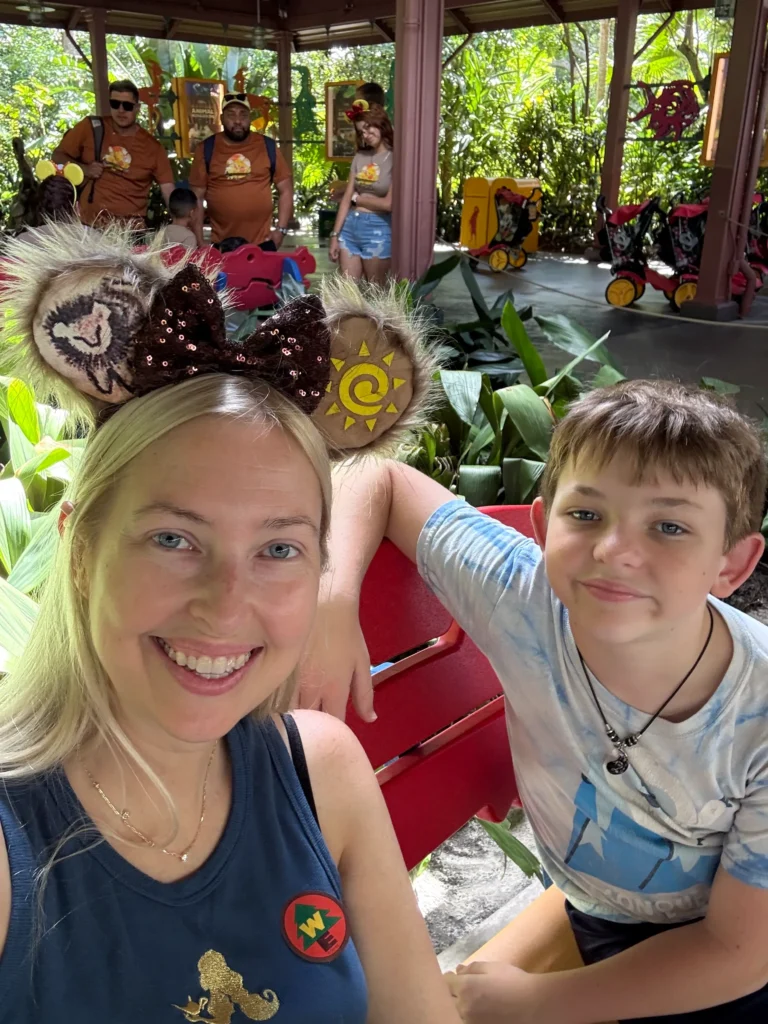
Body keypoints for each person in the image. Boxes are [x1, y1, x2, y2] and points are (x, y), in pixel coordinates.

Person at [0, 224, 461, 1024]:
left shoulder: (324, 773)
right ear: (79, 548)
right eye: (174, 539)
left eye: (278, 548)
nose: (224, 604)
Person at [300, 379, 768, 1022]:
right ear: (545, 525)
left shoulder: (758, 713)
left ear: (732, 564)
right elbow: (378, 475)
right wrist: (330, 596)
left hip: (724, 941)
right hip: (599, 914)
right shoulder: (522, 595)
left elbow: (738, 953)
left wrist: (540, 1001)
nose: (614, 552)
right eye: (587, 515)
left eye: (668, 526)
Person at [52, 80, 174, 229]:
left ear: (137, 108)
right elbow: (58, 156)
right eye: (115, 104)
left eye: (127, 106)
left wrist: (179, 225)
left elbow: (168, 190)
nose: (121, 110)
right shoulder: (91, 127)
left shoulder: (153, 147)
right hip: (89, 227)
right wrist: (85, 169)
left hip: (131, 232)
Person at [189, 93, 293, 250]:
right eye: (231, 115)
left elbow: (286, 190)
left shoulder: (268, 146)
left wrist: (281, 231)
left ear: (249, 118)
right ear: (222, 118)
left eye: (243, 115)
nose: (238, 121)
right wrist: (199, 241)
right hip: (221, 244)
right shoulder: (206, 149)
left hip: (262, 242)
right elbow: (196, 197)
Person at [330, 106, 393, 286]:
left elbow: (389, 205)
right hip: (350, 227)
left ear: (380, 124)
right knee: (347, 292)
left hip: (378, 228)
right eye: (361, 131)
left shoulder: (396, 158)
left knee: (376, 290)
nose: (365, 134)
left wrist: (358, 199)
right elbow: (346, 197)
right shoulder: (360, 157)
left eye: (368, 127)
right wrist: (335, 235)